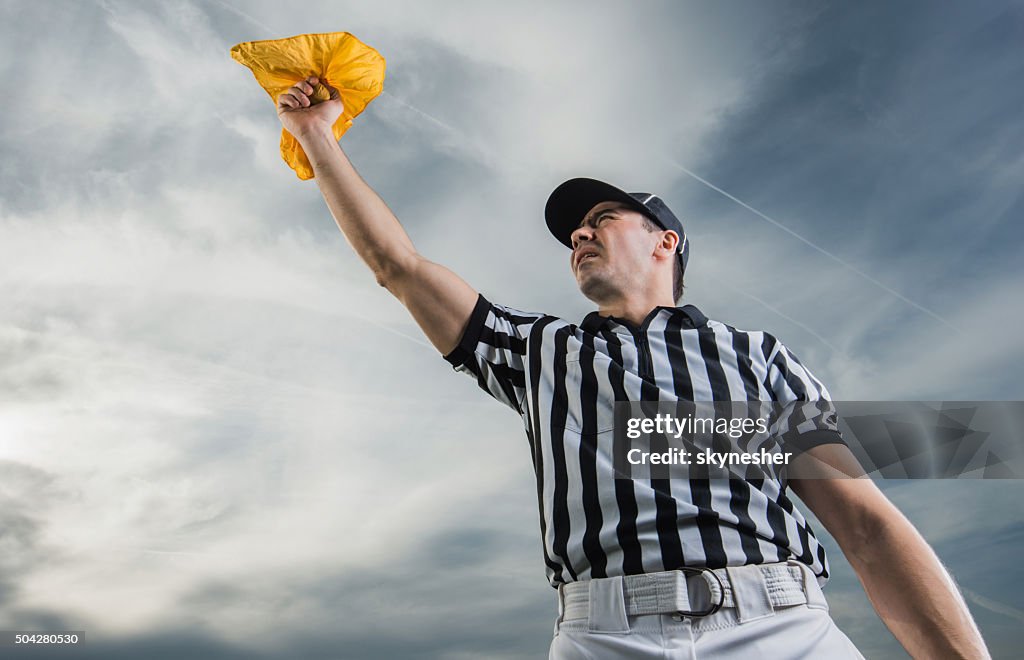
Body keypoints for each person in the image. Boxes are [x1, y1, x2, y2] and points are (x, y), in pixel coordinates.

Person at [275, 76, 990, 659]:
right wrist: (317, 136)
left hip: (780, 629)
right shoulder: (540, 352)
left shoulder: (758, 356)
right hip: (603, 637)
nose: (580, 232)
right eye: (573, 231)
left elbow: (864, 524)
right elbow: (397, 265)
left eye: (603, 217)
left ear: (664, 243)